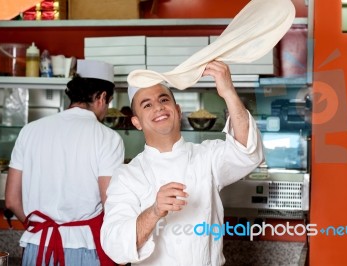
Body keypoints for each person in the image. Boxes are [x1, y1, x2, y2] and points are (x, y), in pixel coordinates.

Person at [101, 61, 264, 265]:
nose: (159, 107)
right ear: (137, 122)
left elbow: (248, 152)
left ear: (177, 110)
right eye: (147, 105)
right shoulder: (127, 175)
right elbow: (115, 246)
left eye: (163, 99)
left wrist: (228, 92)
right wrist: (154, 211)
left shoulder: (207, 156)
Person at [5, 59, 125, 266]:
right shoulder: (108, 137)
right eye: (108, 102)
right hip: (85, 248)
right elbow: (111, 204)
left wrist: (39, 225)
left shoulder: (30, 130)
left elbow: (11, 202)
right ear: (102, 97)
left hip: (38, 245)